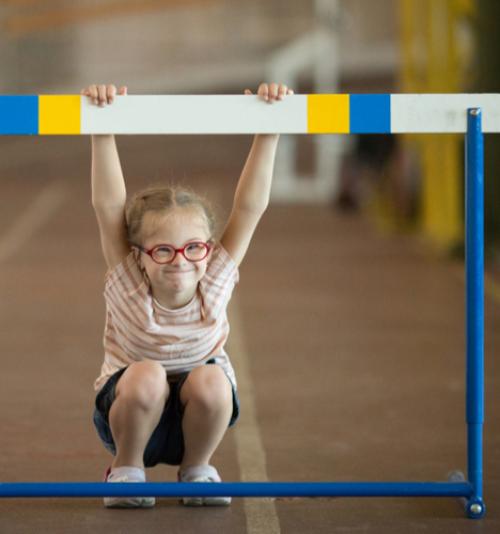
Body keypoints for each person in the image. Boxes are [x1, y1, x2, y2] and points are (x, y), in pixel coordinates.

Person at [83, 82, 293, 508]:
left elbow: (249, 208)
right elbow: (109, 208)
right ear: (140, 256)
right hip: (131, 412)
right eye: (163, 250)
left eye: (193, 248)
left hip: (196, 418)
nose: (180, 261)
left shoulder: (213, 279)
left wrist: (269, 127)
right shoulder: (129, 283)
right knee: (148, 374)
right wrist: (100, 126)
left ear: (209, 250)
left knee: (214, 379)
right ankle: (126, 470)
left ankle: (197, 469)